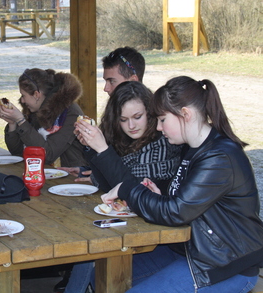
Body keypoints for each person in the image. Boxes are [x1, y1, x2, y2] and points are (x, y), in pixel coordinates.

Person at [101, 76, 263, 292]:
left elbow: (175, 212)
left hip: (224, 265)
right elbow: (184, 200)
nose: (158, 128)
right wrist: (159, 193)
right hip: (192, 250)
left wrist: (127, 189)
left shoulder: (219, 158)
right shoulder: (193, 149)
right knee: (101, 272)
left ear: (185, 115)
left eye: (162, 119)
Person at [59, 81, 183, 293]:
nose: (131, 126)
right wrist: (91, 149)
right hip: (134, 230)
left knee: (96, 266)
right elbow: (111, 185)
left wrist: (102, 150)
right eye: (123, 119)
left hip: (159, 240)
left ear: (151, 113)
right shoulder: (128, 141)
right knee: (91, 255)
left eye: (138, 117)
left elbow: (132, 189)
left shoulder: (163, 144)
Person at [59, 47, 146, 183]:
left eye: (112, 81)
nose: (106, 88)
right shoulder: (112, 114)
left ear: (133, 81)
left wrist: (101, 150)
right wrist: (89, 146)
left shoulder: (154, 124)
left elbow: (135, 184)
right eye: (123, 119)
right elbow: (113, 165)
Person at [0, 68, 87, 167]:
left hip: (70, 177)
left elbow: (48, 155)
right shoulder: (36, 109)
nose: (22, 100)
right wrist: (13, 124)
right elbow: (18, 153)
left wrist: (21, 121)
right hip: (41, 172)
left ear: (36, 94)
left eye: (23, 95)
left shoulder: (70, 113)